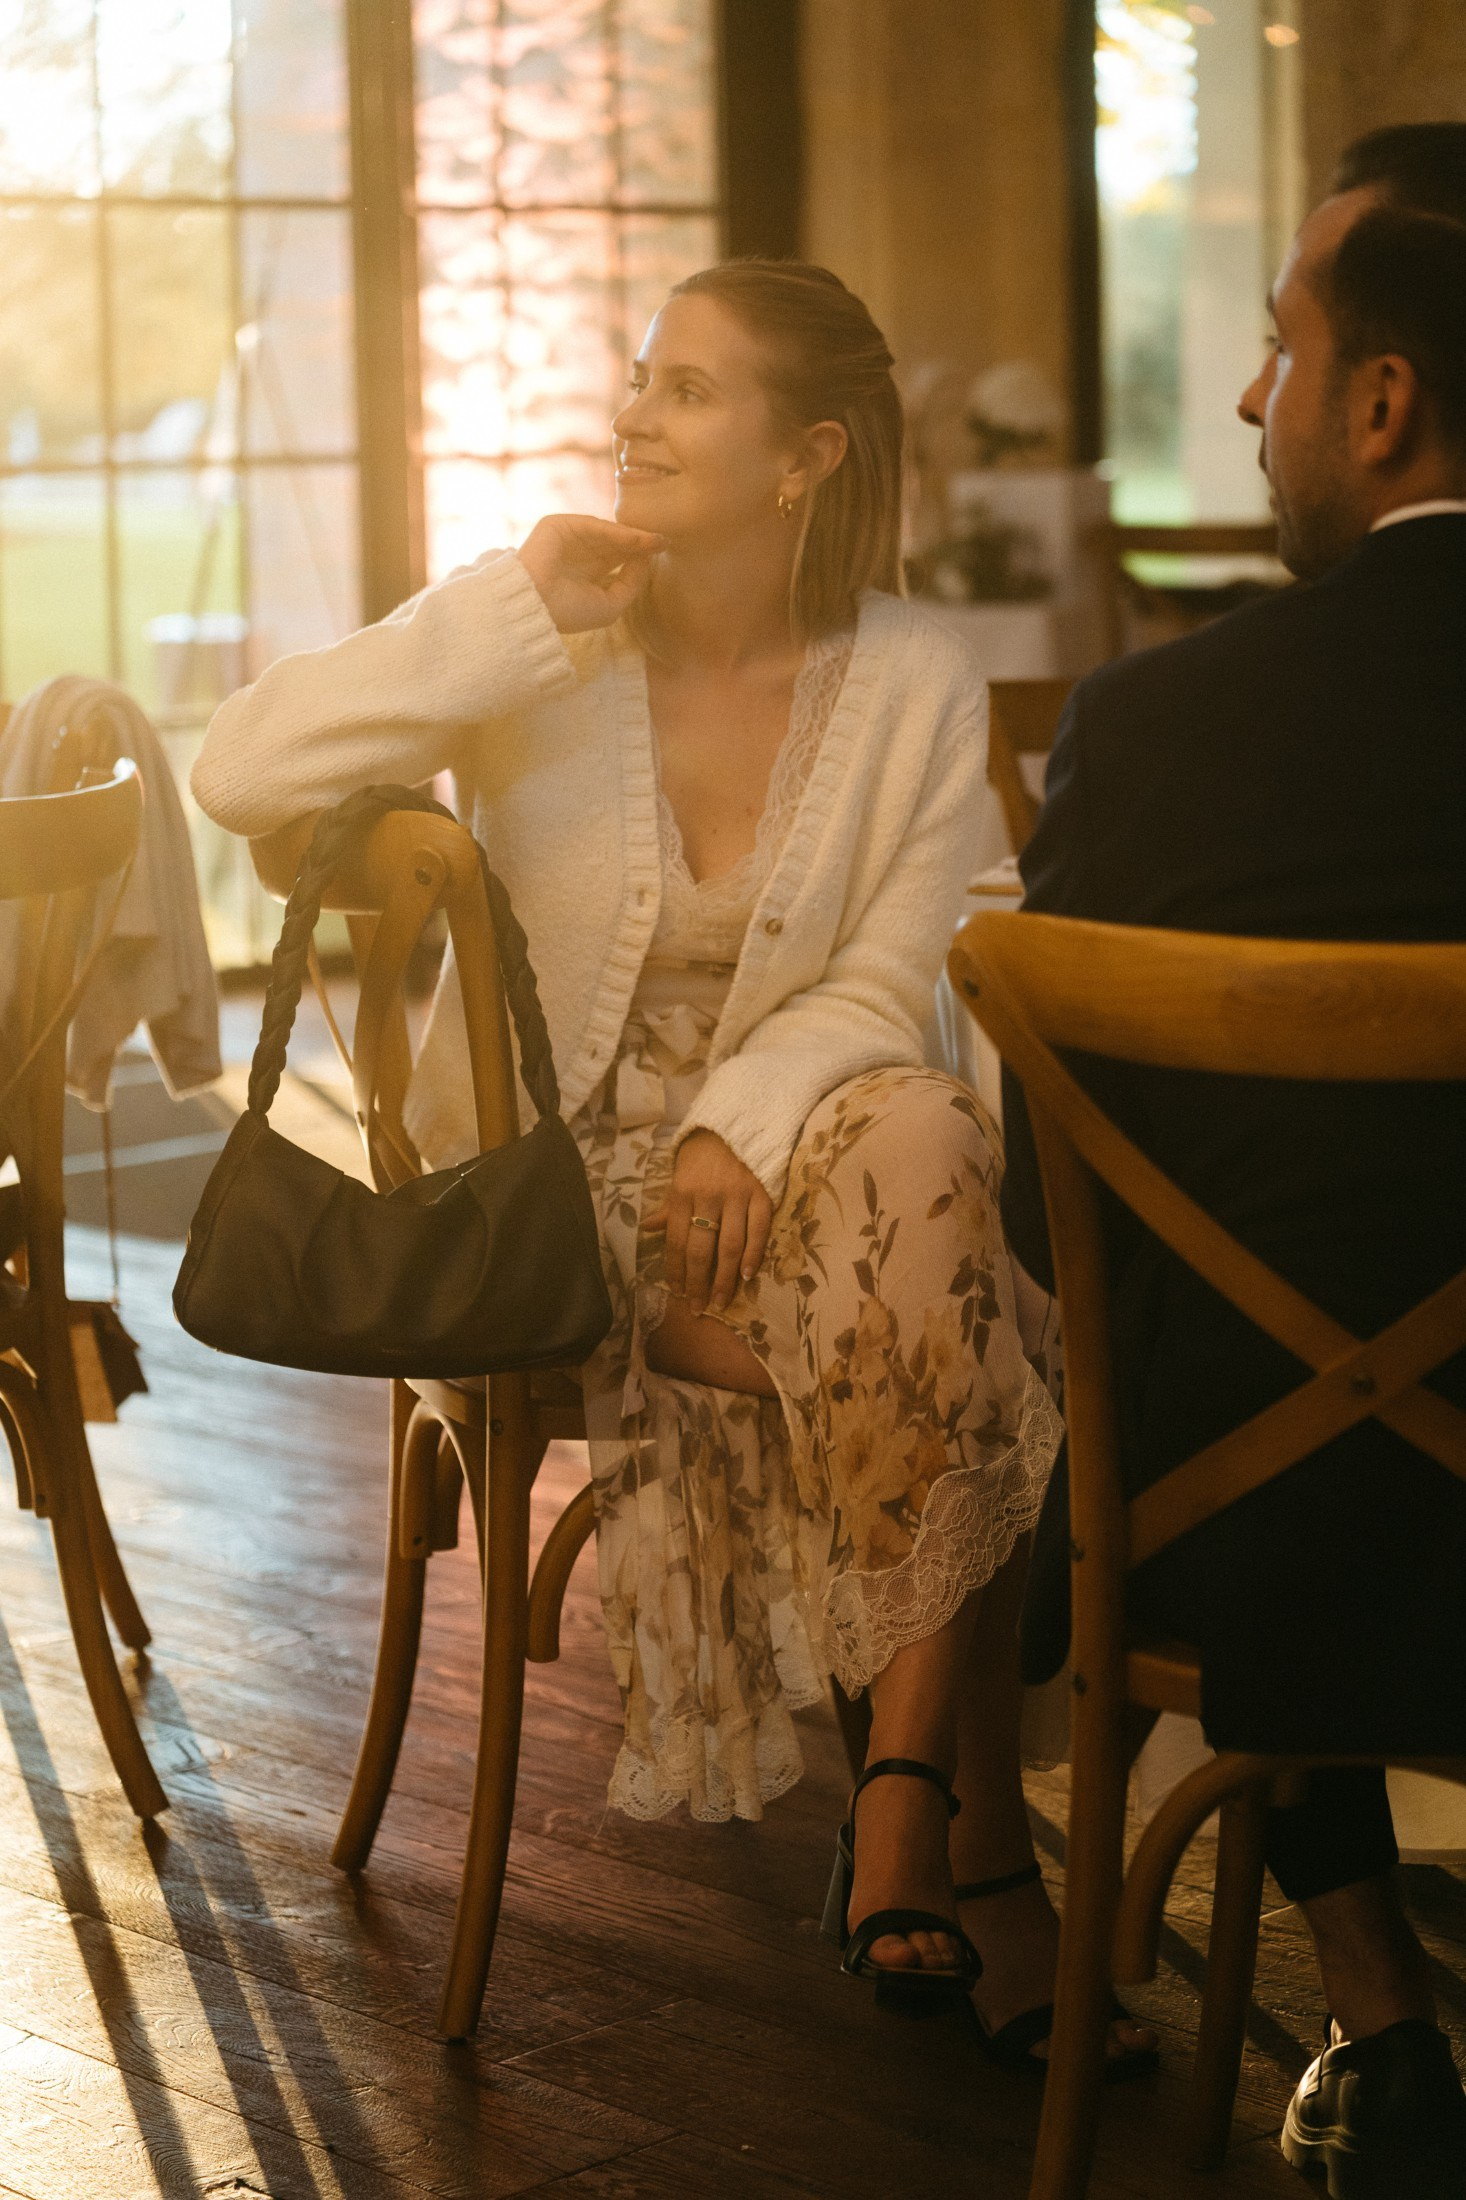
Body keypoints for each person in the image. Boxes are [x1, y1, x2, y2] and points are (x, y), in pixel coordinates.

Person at [195, 260, 1132, 2058]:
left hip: (814, 1172)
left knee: (925, 1134)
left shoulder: (918, 677)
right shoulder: (539, 650)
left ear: (807, 455)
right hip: (547, 1217)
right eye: (639, 377)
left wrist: (736, 1121)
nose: (632, 414)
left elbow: (885, 976)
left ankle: (902, 1810)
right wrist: (504, 609)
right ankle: (960, 1835)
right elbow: (240, 771)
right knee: (989, 1324)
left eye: (688, 389)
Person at [1003, 124, 1466, 2189]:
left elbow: (1043, 1223)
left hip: (1237, 1532)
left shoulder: (1152, 732)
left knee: (1281, 1380)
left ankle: (1387, 2029)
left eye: (1279, 347)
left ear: (1381, 403)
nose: (1246, 399)